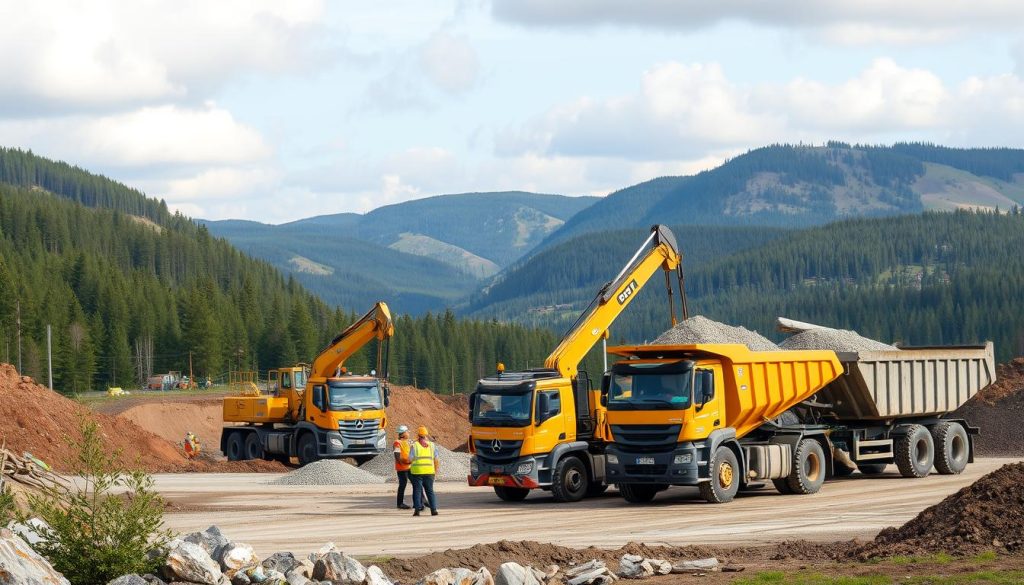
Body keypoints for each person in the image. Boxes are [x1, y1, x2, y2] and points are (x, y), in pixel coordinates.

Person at [409, 425, 439, 516]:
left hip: (417, 472)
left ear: (418, 435)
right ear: (427, 434)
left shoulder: (414, 445)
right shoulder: (432, 445)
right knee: (430, 491)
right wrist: (435, 471)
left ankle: (417, 511)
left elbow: (410, 459)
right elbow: (436, 460)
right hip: (429, 472)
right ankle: (433, 510)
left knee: (417, 491)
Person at [393, 425, 413, 509]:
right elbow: (397, 455)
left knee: (416, 483)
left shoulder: (408, 442)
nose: (408, 433)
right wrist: (404, 462)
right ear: (403, 433)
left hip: (410, 467)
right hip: (402, 468)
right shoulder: (397, 442)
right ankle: (400, 503)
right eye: (407, 432)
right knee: (402, 485)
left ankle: (420, 501)